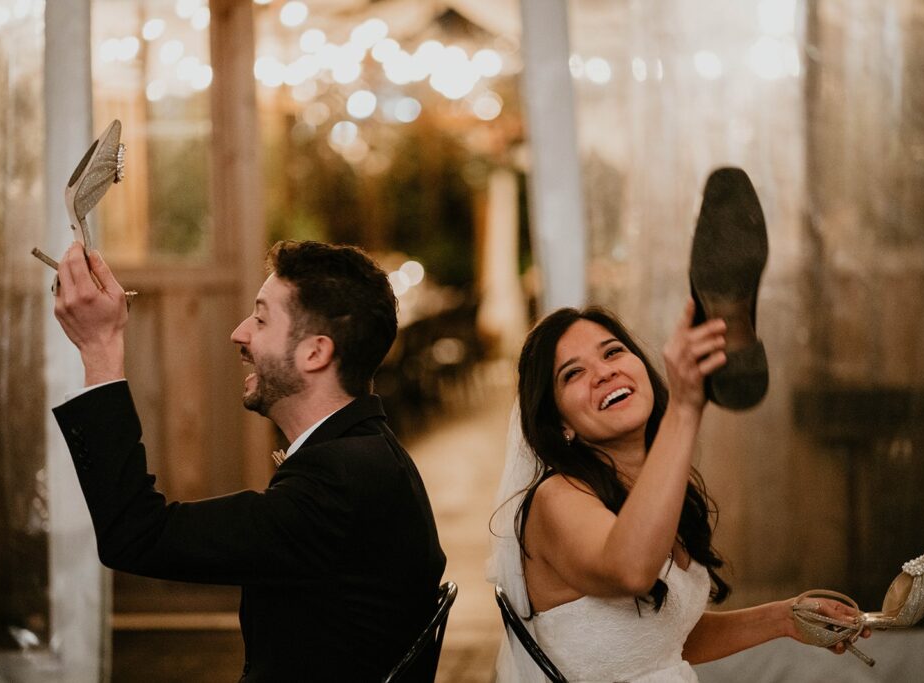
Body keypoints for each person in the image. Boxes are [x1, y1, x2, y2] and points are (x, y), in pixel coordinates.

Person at [51, 240, 446, 681]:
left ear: (315, 353)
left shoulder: (340, 482)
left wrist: (100, 348)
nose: (239, 332)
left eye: (260, 318)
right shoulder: (366, 452)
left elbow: (137, 534)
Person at [489, 304, 869, 682]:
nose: (604, 372)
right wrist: (685, 407)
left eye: (613, 351)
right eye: (573, 373)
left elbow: (662, 639)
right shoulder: (556, 498)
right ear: (560, 423)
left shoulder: (653, 486)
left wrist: (785, 618)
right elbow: (631, 571)